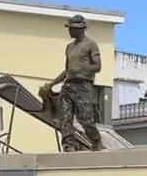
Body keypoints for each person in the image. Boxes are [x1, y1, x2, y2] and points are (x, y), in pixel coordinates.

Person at [42, 14, 103, 152]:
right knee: (64, 117)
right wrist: (52, 84)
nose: (69, 31)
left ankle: (96, 140)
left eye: (71, 29)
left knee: (85, 119)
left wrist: (80, 69)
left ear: (80, 29)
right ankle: (68, 144)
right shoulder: (69, 47)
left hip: (84, 86)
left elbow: (98, 66)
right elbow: (67, 70)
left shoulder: (91, 44)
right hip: (69, 85)